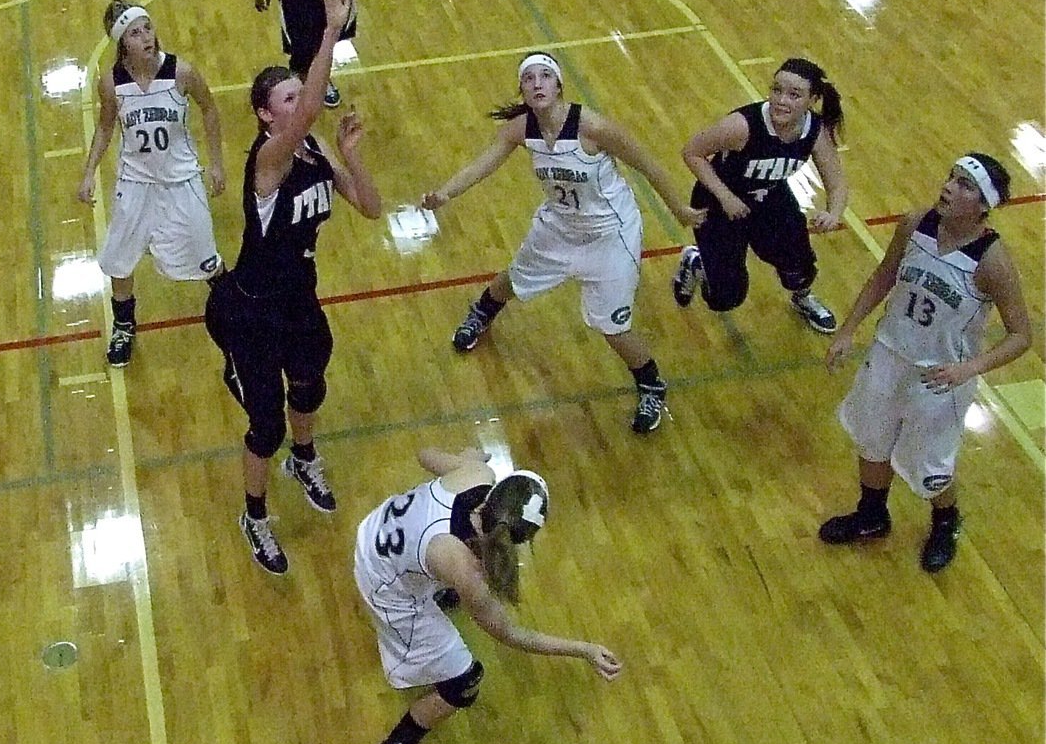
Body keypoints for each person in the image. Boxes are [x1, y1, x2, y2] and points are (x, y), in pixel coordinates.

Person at [423, 52, 704, 434]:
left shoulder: (595, 127)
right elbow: (480, 166)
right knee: (515, 277)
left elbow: (649, 165)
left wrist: (681, 211)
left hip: (610, 236)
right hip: (558, 226)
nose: (537, 84)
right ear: (522, 90)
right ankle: (482, 313)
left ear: (559, 85)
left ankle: (652, 383)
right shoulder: (521, 129)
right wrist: (444, 194)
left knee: (612, 326)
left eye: (545, 76)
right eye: (528, 79)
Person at [205, 0, 381, 575]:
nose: (297, 102)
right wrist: (330, 30)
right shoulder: (268, 159)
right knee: (265, 426)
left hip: (299, 300)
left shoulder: (315, 151)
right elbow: (311, 108)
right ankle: (254, 515)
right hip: (250, 308)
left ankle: (306, 457)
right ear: (265, 115)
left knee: (311, 386)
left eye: (294, 94)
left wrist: (352, 158)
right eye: (286, 98)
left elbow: (370, 207)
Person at [355, 444, 622, 744]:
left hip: (376, 528)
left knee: (451, 576)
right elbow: (510, 633)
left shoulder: (478, 475)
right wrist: (583, 649)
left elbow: (423, 454)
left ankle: (436, 590)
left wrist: (468, 458)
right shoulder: (465, 571)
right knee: (463, 682)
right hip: (384, 582)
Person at [819, 154, 1030, 573]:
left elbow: (1022, 335)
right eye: (952, 177)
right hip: (888, 352)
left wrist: (969, 369)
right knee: (871, 437)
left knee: (929, 465)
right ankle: (872, 514)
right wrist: (848, 330)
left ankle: (946, 520)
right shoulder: (915, 224)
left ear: (984, 205)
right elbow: (884, 275)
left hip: (941, 376)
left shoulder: (991, 261)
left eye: (965, 185)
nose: (950, 187)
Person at [78, 0, 225, 368]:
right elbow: (106, 127)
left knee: (207, 256)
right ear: (121, 42)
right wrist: (88, 172)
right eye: (135, 32)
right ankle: (124, 326)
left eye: (148, 28)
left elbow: (209, 108)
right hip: (137, 182)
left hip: (181, 179)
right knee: (119, 259)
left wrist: (217, 163)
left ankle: (235, 310)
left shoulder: (181, 72)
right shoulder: (111, 84)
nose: (146, 37)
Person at [671, 57, 847, 334]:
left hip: (771, 199)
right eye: (776, 90)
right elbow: (692, 152)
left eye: (794, 94)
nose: (781, 100)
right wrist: (726, 197)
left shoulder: (815, 130)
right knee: (726, 298)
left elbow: (837, 183)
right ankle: (696, 262)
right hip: (718, 201)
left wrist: (833, 213)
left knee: (798, 262)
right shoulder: (742, 126)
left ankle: (803, 299)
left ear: (812, 99)